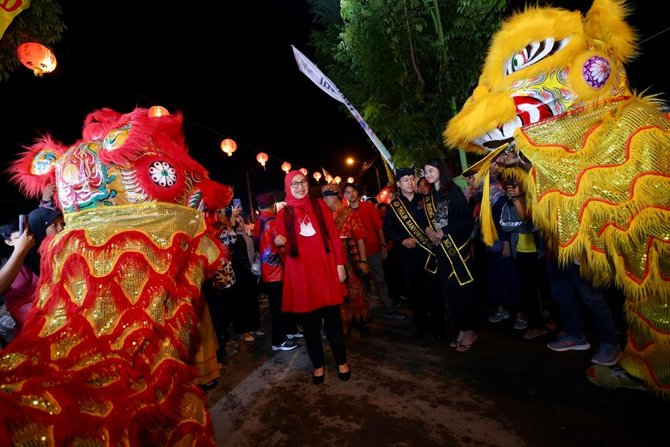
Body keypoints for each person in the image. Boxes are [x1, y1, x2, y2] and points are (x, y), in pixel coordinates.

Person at [274, 170, 350, 384]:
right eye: (295, 183)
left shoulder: (319, 206)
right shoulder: (283, 213)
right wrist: (279, 242)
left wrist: (339, 264)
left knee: (333, 321)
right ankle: (318, 365)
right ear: (288, 187)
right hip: (301, 276)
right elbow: (284, 250)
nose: (300, 186)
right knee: (309, 325)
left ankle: (341, 361)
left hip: (325, 271)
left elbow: (333, 237)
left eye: (303, 182)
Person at [421, 158, 479, 352]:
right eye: (425, 172)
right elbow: (432, 223)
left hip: (457, 249)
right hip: (442, 251)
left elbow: (467, 220)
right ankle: (461, 329)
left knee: (462, 290)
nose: (428, 174)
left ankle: (470, 331)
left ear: (440, 170)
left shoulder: (452, 191)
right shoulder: (431, 195)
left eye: (431, 170)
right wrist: (429, 231)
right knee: (450, 292)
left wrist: (444, 232)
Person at [383, 167, 444, 339]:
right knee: (414, 292)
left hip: (428, 254)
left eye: (411, 179)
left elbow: (436, 221)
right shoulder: (394, 206)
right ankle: (421, 327)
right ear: (399, 184)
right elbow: (388, 229)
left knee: (433, 290)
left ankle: (439, 327)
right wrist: (401, 241)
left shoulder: (424, 200)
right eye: (405, 180)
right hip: (408, 256)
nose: (409, 182)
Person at [342, 183, 405, 321]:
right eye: (347, 192)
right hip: (356, 255)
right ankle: (364, 313)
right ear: (344, 196)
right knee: (361, 285)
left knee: (380, 280)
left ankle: (389, 308)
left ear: (357, 193)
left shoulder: (368, 207)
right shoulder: (345, 212)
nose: (351, 194)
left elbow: (379, 228)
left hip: (373, 250)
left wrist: (383, 245)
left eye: (353, 191)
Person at [321, 183, 372, 337]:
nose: (324, 200)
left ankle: (363, 323)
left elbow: (360, 238)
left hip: (350, 259)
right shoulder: (325, 216)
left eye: (326, 197)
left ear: (333, 196)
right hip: (333, 261)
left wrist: (363, 261)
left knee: (355, 291)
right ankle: (345, 323)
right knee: (339, 295)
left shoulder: (349, 213)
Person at [253, 191, 300, 352]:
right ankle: (279, 340)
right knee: (279, 306)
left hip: (267, 271)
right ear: (273, 206)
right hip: (277, 271)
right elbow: (282, 245)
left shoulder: (259, 222)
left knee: (281, 304)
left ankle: (290, 330)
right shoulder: (273, 222)